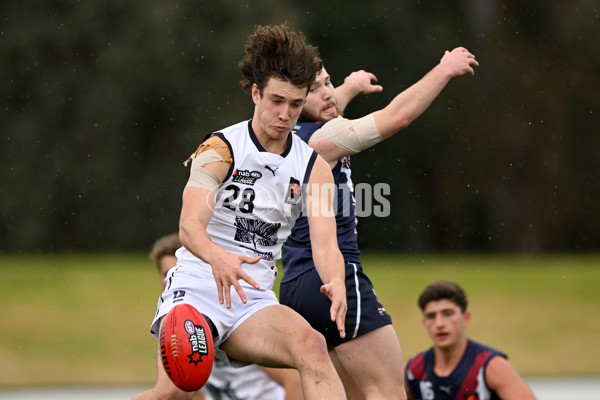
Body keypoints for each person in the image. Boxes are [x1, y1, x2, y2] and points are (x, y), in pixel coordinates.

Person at [135, 24, 347, 400]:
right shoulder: (219, 148)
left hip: (252, 297)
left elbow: (326, 245)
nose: (285, 114)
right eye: (276, 101)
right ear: (255, 93)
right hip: (198, 286)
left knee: (312, 348)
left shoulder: (313, 166)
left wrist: (337, 280)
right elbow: (189, 226)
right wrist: (220, 259)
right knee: (175, 391)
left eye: (296, 105)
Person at [279, 48, 480, 399]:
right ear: (294, 99)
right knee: (388, 393)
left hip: (295, 288)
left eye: (327, 81)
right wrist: (444, 69)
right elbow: (397, 116)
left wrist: (349, 87)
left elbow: (321, 106)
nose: (327, 93)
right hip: (334, 278)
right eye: (315, 88)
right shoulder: (321, 140)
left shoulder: (280, 137)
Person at [141, 233, 302, 400]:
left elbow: (294, 382)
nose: (171, 279)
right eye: (165, 273)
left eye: (176, 271)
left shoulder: (232, 318)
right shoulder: (174, 328)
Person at [404, 280, 537, 400]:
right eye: (431, 316)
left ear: (466, 318)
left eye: (448, 314)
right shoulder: (412, 371)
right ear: (424, 323)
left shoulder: (492, 367)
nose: (439, 324)